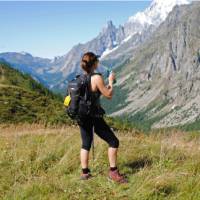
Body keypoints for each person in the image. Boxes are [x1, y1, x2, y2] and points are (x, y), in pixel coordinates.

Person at [78, 52, 127, 183]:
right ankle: (113, 172)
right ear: (95, 63)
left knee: (86, 143)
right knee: (113, 142)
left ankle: (85, 173)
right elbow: (108, 95)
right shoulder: (96, 77)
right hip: (94, 116)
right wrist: (111, 82)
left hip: (81, 116)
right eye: (97, 61)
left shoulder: (81, 77)